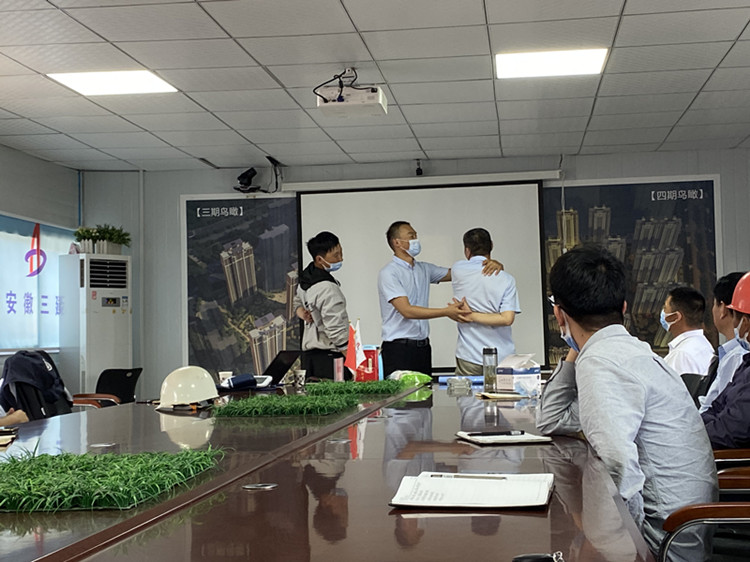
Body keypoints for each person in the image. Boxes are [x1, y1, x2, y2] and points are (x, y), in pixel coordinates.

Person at [536, 245, 717, 562]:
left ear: (559, 314)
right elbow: (552, 420)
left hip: (662, 541)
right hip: (681, 527)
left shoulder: (603, 363)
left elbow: (616, 466)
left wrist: (612, 548)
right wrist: (578, 348)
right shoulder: (625, 352)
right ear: (623, 307)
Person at [376, 221, 501, 377]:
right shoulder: (389, 273)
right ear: (397, 243)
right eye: (411, 236)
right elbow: (406, 311)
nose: (416, 240)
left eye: (416, 236)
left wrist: (492, 265)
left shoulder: (423, 269)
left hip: (423, 348)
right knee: (401, 393)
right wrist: (446, 311)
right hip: (398, 349)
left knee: (425, 392)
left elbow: (459, 274)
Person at [451, 228, 520, 375]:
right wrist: (500, 266)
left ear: (467, 250)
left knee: (467, 391)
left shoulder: (457, 269)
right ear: (491, 245)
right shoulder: (507, 279)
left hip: (469, 355)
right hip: (502, 356)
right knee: (503, 391)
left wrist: (470, 315)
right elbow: (507, 319)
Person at [701, 270, 750, 448]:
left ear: (745, 322)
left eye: (735, 316)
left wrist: (690, 437)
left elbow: (734, 428)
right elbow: (717, 407)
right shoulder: (746, 366)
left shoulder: (741, 360)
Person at [293, 231, 350, 380]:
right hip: (330, 359)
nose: (341, 258)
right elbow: (335, 327)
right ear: (319, 259)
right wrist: (352, 359)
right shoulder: (327, 288)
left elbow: (297, 301)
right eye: (336, 255)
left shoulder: (306, 279)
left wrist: (301, 312)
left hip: (310, 358)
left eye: (341, 253)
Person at [699, 272, 746, 412]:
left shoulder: (737, 356)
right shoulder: (728, 355)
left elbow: (717, 408)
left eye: (714, 304)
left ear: (723, 308)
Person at [661, 286, 715, 376]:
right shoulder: (702, 344)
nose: (663, 312)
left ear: (676, 317)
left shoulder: (681, 355)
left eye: (665, 308)